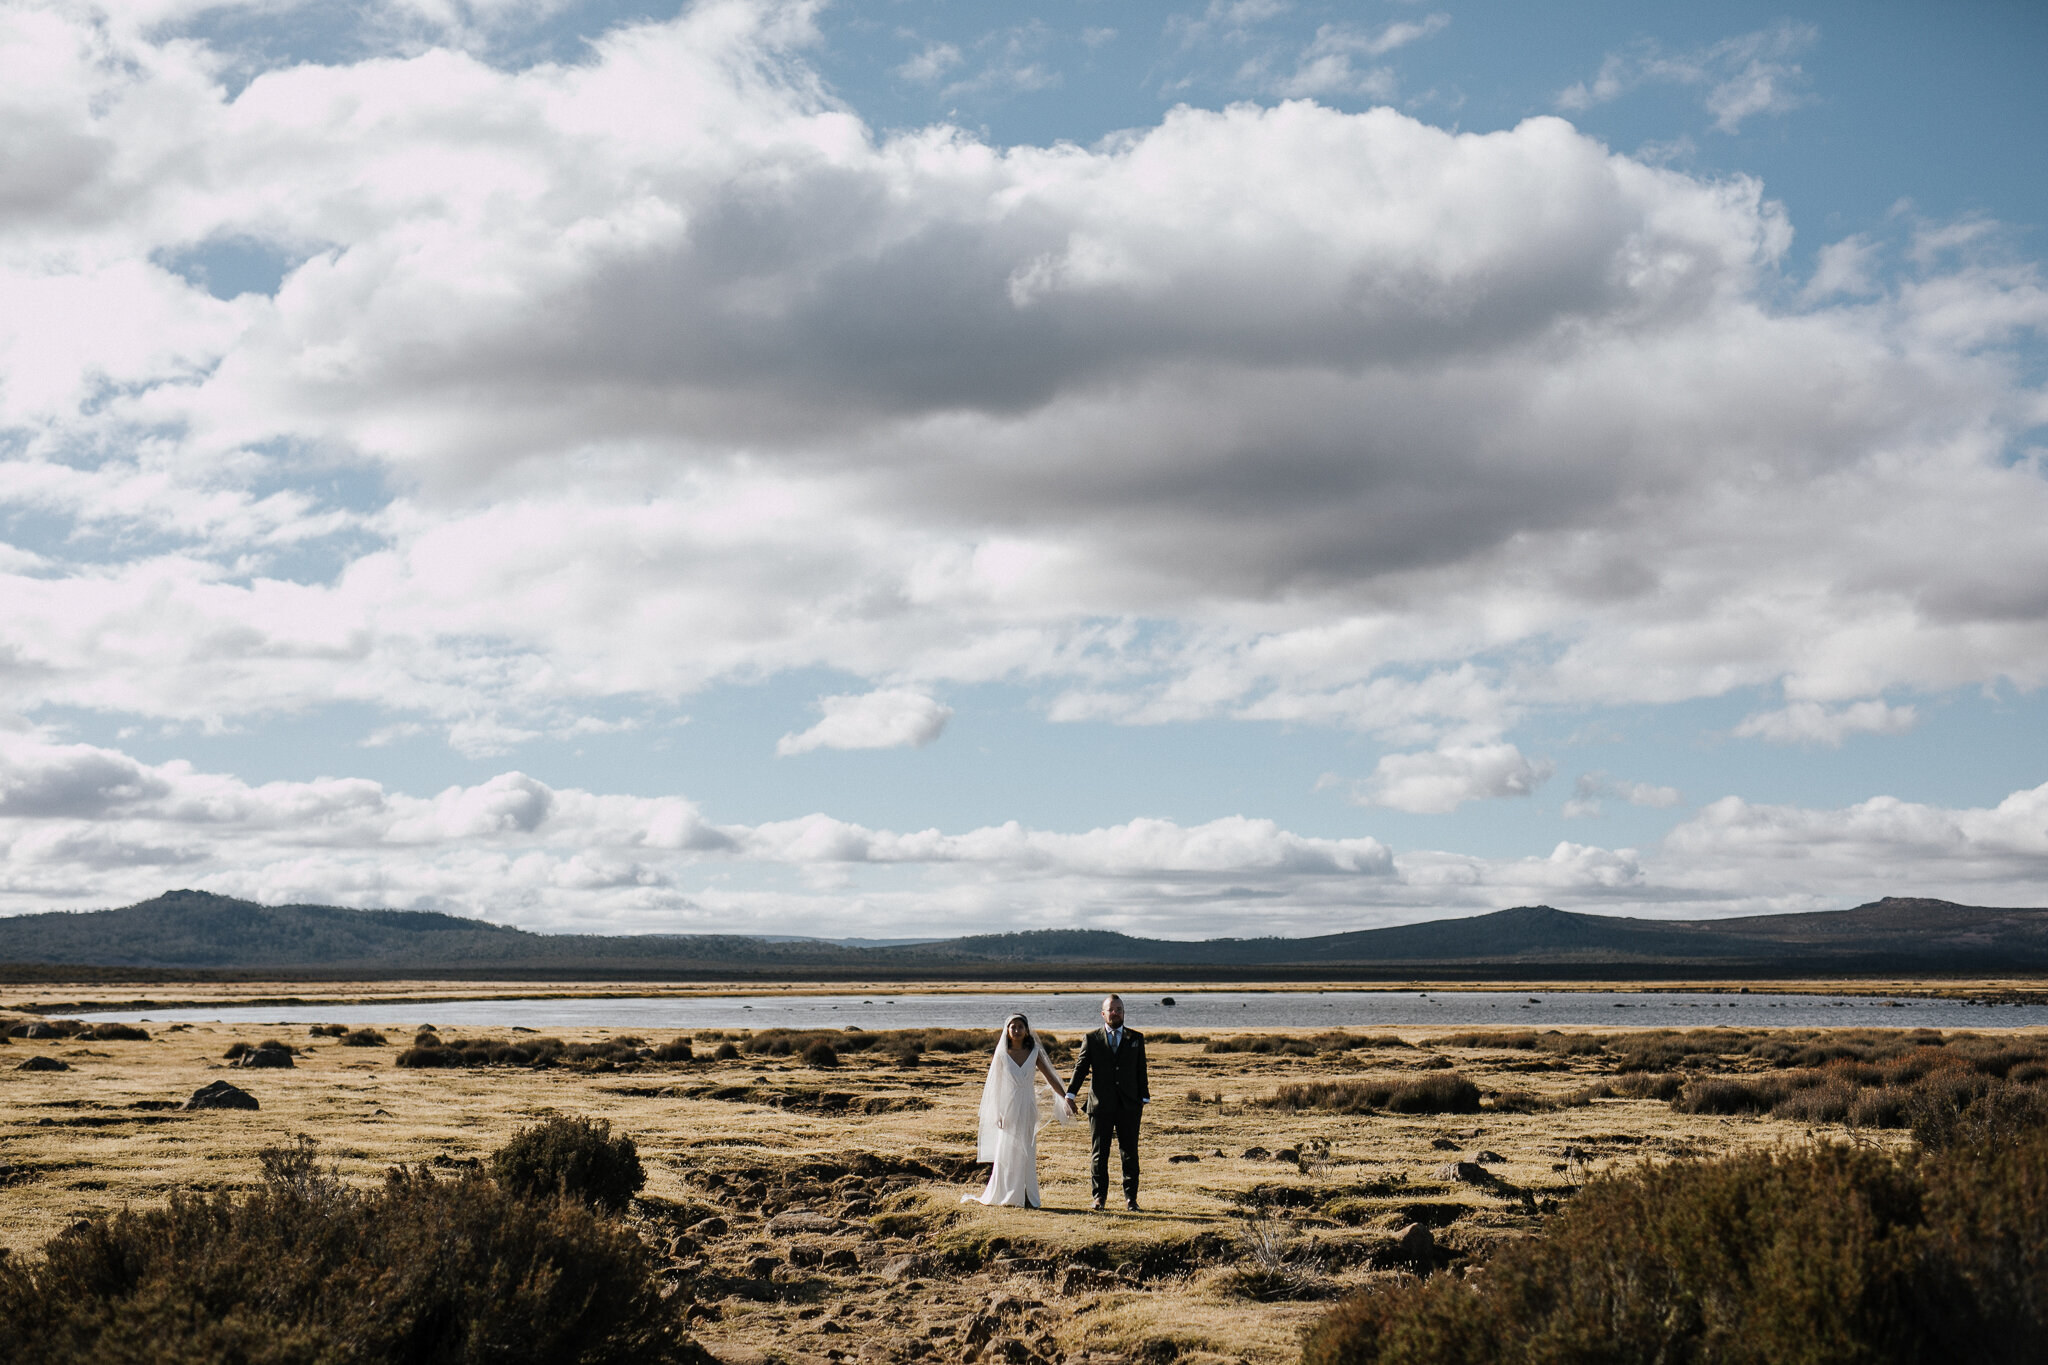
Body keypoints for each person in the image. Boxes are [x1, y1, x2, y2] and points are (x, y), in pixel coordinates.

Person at [964, 1013, 1075, 1208]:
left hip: (1028, 1105)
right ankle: (1007, 1193)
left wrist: (1065, 1097)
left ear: (1026, 1030)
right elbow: (995, 1085)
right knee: (1007, 1149)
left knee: (1027, 1150)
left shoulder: (1034, 1052)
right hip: (1008, 1106)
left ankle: (1026, 1194)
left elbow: (1050, 1077)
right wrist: (997, 1111)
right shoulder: (1002, 1053)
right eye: (1012, 1027)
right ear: (1007, 1030)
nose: (1016, 1030)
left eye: (1020, 1027)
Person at [1067, 993, 1149, 1211]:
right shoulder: (1092, 1038)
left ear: (1124, 1012)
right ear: (1103, 1013)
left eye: (1119, 1009)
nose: (1116, 1013)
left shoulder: (1136, 1038)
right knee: (1099, 1153)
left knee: (1130, 1152)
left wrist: (1144, 1097)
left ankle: (1131, 1199)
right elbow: (1081, 1068)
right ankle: (1099, 1198)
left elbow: (1141, 1069)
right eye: (1111, 1010)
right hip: (1099, 1105)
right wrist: (1070, 1095)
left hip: (1129, 1106)